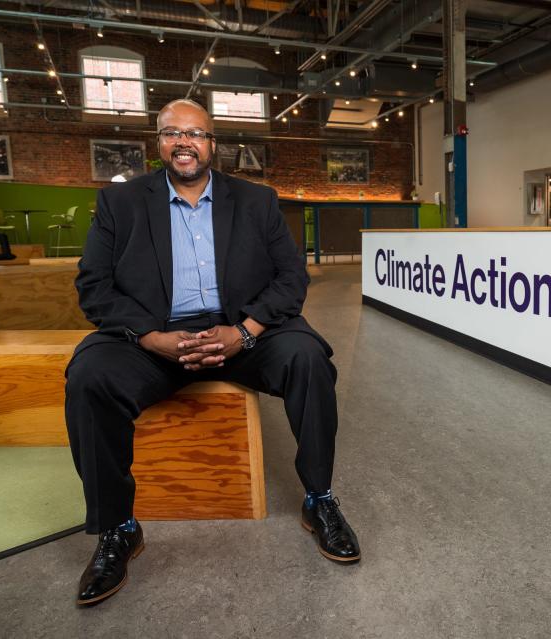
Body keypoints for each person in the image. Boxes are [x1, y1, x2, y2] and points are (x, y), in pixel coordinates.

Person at [65, 98, 360, 607]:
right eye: (172, 132)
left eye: (196, 133)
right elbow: (94, 286)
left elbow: (291, 278)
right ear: (157, 142)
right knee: (90, 376)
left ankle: (320, 499)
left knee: (307, 358)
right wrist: (151, 338)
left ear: (212, 144)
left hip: (241, 333)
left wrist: (244, 332)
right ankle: (117, 529)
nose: (184, 142)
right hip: (157, 338)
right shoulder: (121, 204)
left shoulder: (256, 200)